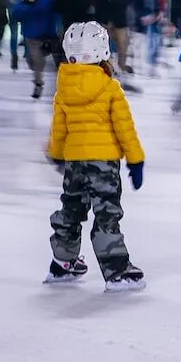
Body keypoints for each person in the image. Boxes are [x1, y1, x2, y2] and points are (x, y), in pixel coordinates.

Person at [44, 21, 145, 291]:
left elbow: (59, 129)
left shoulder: (63, 89)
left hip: (75, 163)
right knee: (106, 215)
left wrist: (56, 154)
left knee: (71, 209)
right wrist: (136, 160)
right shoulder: (110, 88)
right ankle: (116, 271)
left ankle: (63, 263)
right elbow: (125, 129)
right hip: (103, 164)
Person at [12, 0, 60, 98]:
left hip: (43, 35)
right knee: (31, 61)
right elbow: (16, 15)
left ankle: (38, 84)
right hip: (30, 34)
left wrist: (52, 34)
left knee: (38, 61)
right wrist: (28, 4)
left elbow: (53, 17)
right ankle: (38, 80)